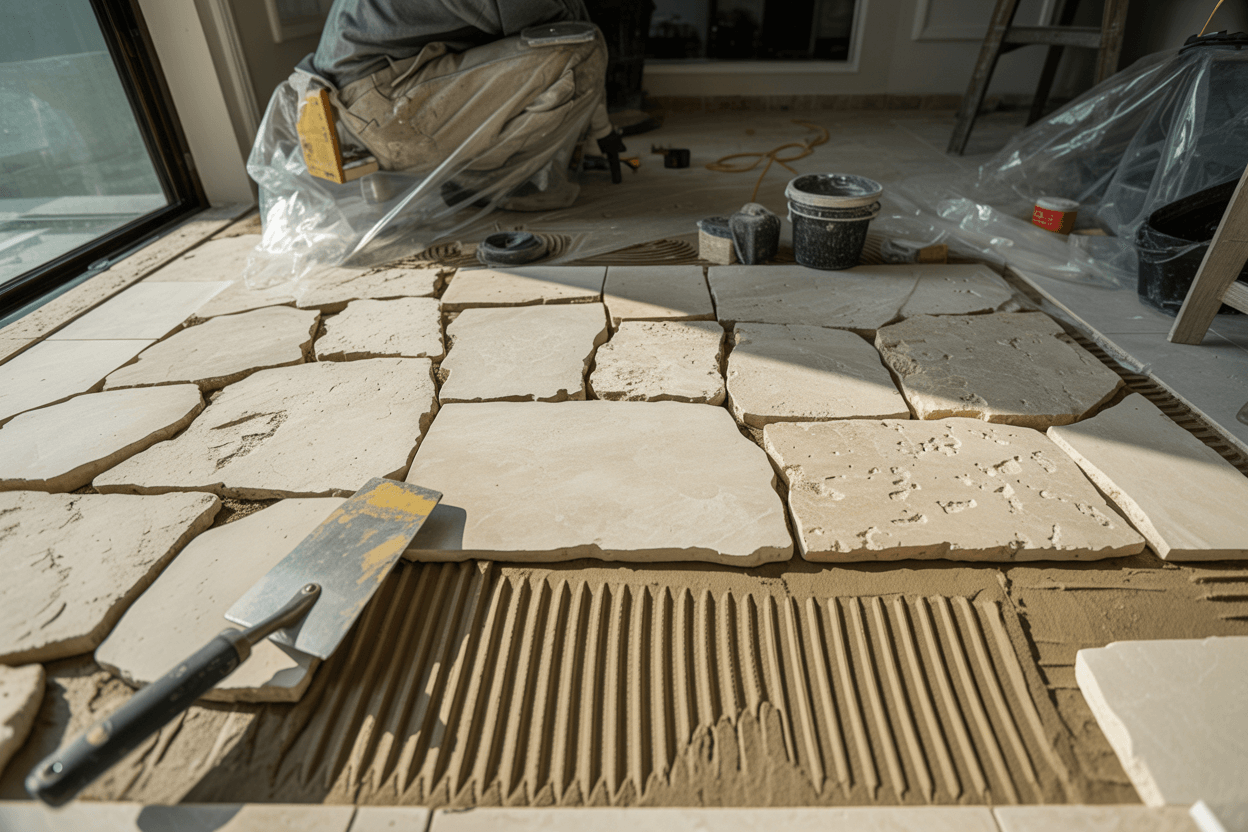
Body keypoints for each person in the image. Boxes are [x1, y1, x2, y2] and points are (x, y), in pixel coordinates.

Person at [294, 0, 623, 207]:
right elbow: (573, 34)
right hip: (382, 110)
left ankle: (462, 171)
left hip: (353, 106)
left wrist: (601, 129)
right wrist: (597, 129)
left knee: (573, 42)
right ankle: (494, 182)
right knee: (582, 54)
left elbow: (570, 16)